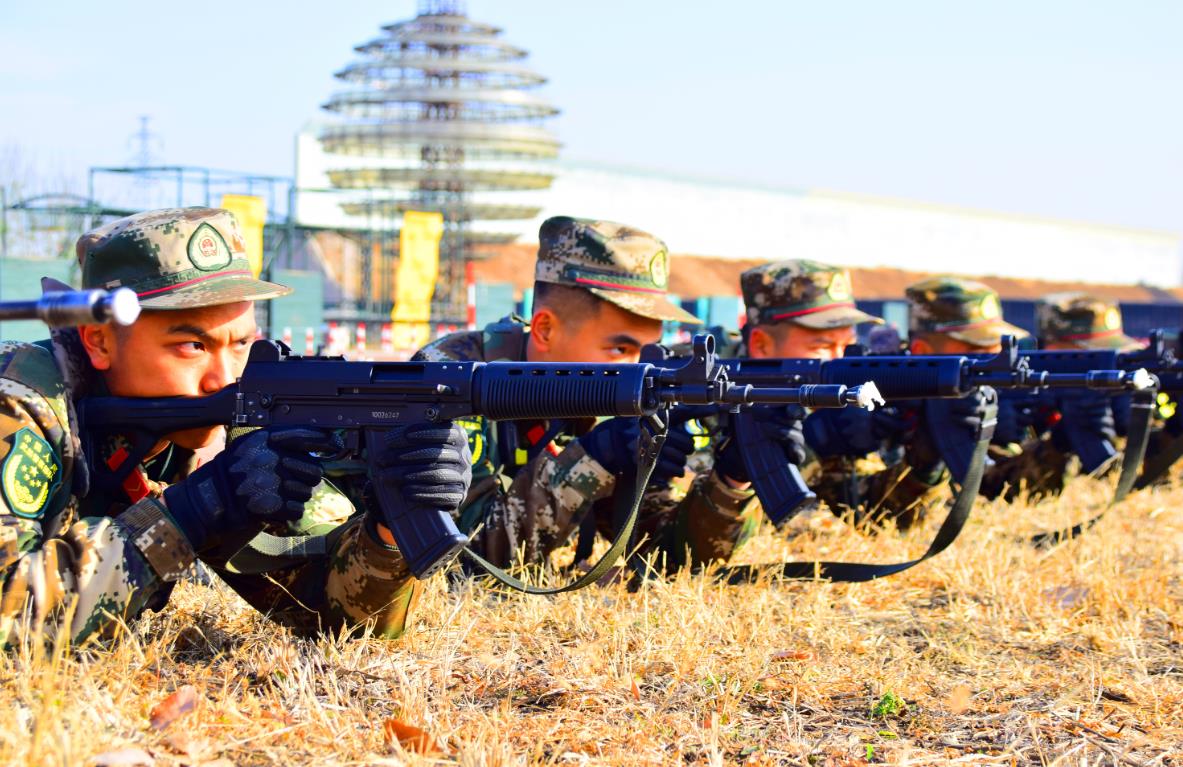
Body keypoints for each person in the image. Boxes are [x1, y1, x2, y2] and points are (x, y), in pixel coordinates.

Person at [0, 207, 470, 647]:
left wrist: (389, 524)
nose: (223, 378)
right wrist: (192, 510)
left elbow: (347, 620)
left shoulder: (223, 427)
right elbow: (9, 618)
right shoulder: (20, 403)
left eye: (241, 343)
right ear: (99, 341)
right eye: (191, 345)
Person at [413, 215, 712, 571]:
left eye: (651, 351)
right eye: (620, 350)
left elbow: (663, 556)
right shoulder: (448, 377)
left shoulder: (604, 397)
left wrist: (732, 480)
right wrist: (596, 456)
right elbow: (460, 559)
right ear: (545, 330)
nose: (643, 369)